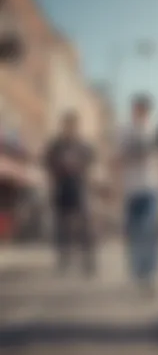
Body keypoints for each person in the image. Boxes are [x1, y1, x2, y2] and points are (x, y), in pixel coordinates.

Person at [118, 95, 158, 294]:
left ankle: (150, 273)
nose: (141, 112)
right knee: (135, 232)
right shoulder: (125, 131)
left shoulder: (154, 130)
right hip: (131, 189)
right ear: (133, 109)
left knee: (149, 230)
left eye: (144, 109)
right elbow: (118, 158)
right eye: (138, 108)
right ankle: (138, 272)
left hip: (151, 187)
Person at [45, 111, 95, 276]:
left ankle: (88, 261)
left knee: (84, 226)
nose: (70, 129)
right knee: (62, 226)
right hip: (62, 187)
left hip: (79, 187)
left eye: (73, 125)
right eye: (67, 125)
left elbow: (91, 161)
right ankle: (64, 258)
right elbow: (48, 165)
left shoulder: (82, 146)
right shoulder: (56, 146)